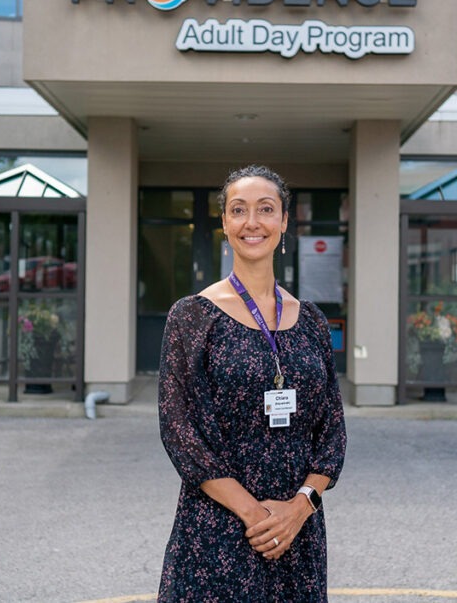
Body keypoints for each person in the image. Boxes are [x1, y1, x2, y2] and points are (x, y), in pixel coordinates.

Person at [158, 165, 347, 602]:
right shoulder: (192, 317)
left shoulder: (313, 322)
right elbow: (181, 432)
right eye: (238, 210)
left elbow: (332, 432)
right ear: (225, 223)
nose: (252, 222)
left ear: (284, 221)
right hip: (218, 530)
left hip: (297, 532)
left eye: (266, 209)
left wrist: (299, 509)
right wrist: (257, 514)